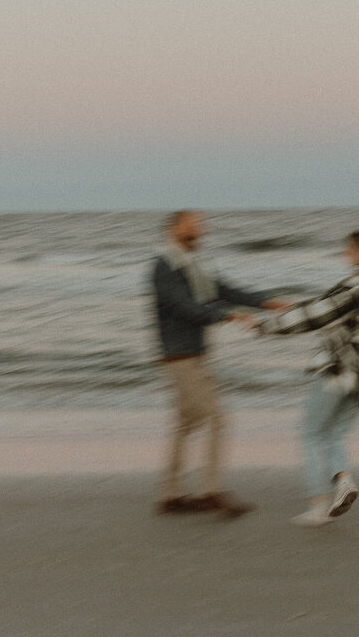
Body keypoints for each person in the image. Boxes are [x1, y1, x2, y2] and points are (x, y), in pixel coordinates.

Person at [257, 228, 359, 526]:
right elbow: (323, 308)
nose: (343, 253)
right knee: (334, 434)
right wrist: (290, 308)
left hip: (339, 373)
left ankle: (317, 507)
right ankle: (344, 482)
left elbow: (318, 315)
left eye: (348, 249)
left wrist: (264, 327)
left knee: (309, 435)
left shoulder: (355, 288)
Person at [151, 210, 286, 518]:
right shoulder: (165, 267)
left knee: (186, 424)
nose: (200, 231)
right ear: (173, 231)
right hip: (179, 356)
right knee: (217, 419)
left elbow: (225, 290)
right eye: (193, 226)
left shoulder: (193, 266)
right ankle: (208, 493)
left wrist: (267, 301)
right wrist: (225, 315)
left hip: (191, 354)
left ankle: (169, 496)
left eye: (200, 226)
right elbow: (184, 307)